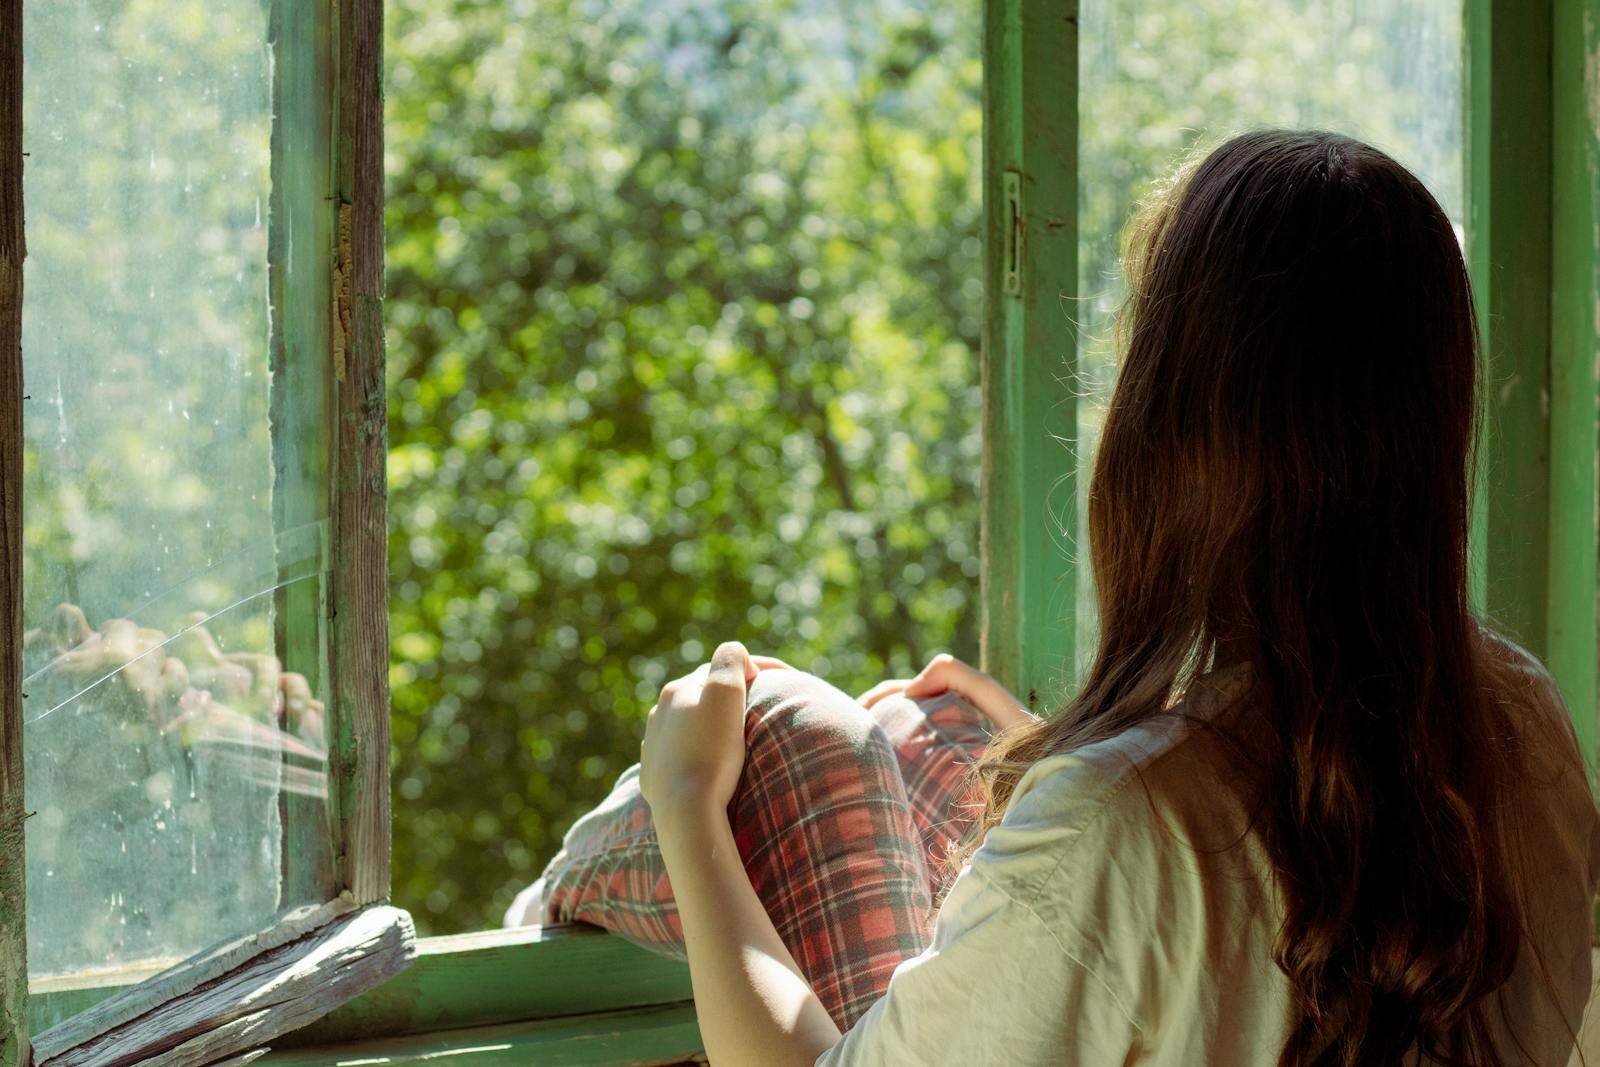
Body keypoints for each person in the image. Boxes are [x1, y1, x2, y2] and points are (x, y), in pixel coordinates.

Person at [508, 129, 1600, 1065]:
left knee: (805, 736)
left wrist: (691, 801)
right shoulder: (1517, 724)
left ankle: (543, 904)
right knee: (925, 741)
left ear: (1170, 432)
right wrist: (1090, 759)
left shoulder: (1124, 829)